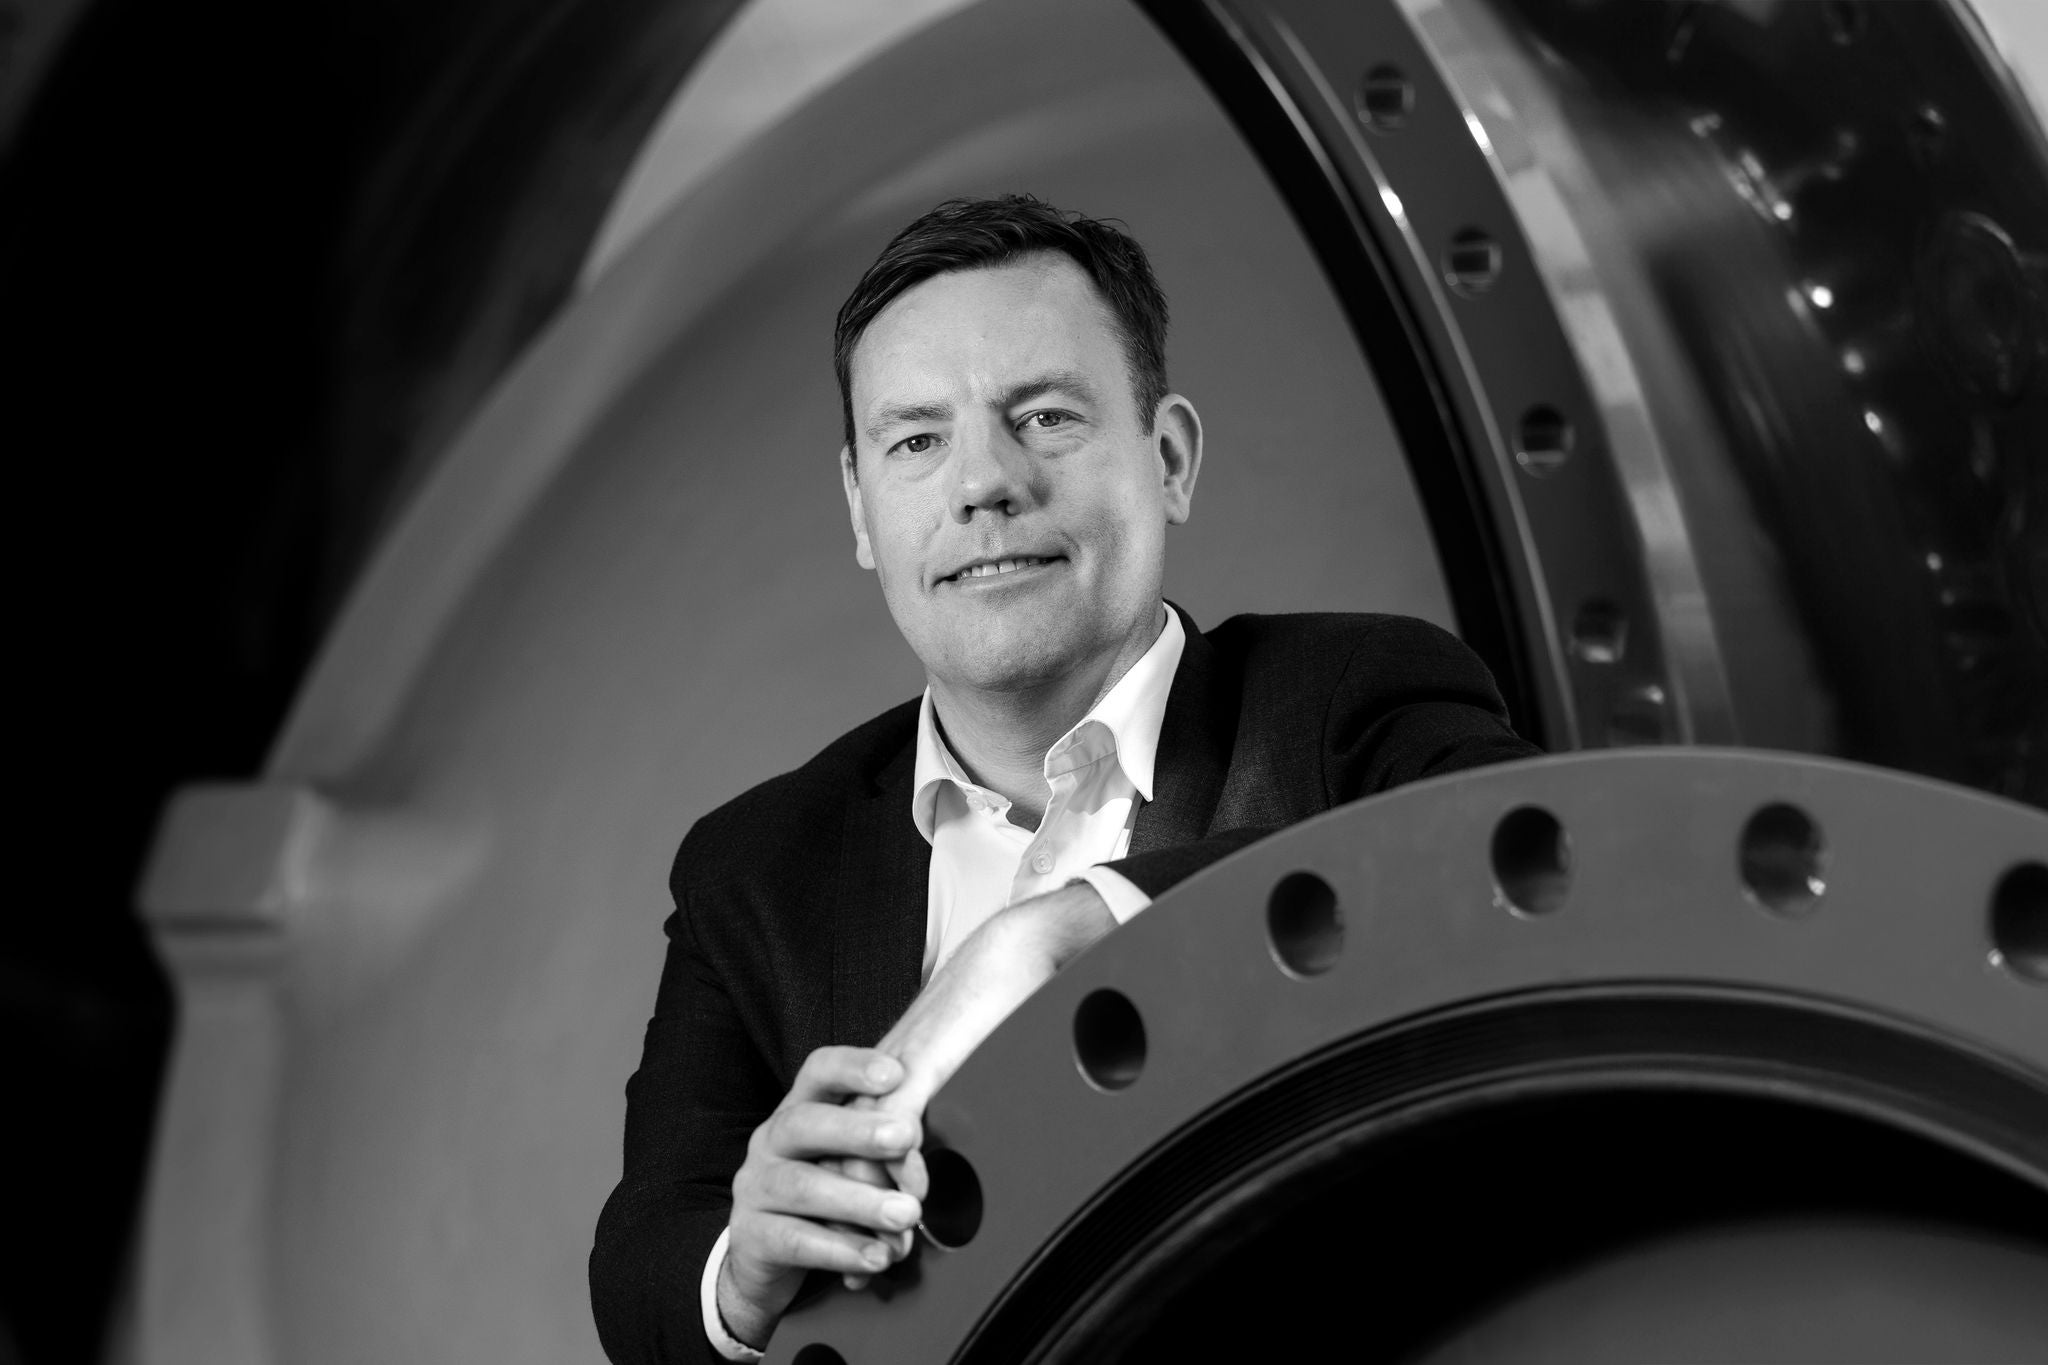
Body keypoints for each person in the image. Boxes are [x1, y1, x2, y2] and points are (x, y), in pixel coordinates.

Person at [589, 195, 1539, 1364]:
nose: (982, 484)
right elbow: (646, 1261)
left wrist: (1073, 931)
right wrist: (740, 1264)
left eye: (1042, 417)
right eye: (915, 441)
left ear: (1169, 459)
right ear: (860, 510)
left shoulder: (1355, 699)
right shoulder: (752, 868)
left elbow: (1521, 872)